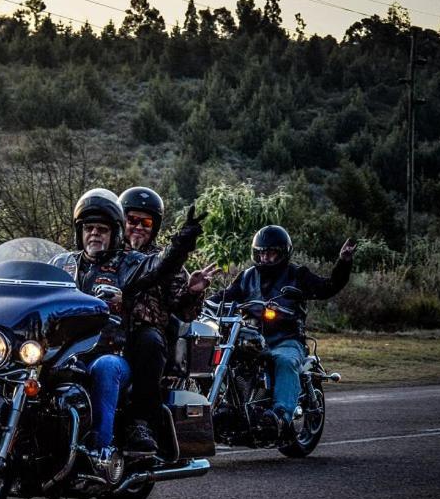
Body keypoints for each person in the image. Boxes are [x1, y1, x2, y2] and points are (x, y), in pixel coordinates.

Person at [50, 188, 203, 460]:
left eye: (146, 223)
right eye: (89, 228)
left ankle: (129, 431)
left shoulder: (132, 262)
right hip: (76, 345)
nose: (95, 234)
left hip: (129, 341)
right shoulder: (65, 263)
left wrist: (182, 249)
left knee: (147, 342)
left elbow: (162, 267)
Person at [207, 225, 356, 438]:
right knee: (227, 361)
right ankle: (229, 409)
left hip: (286, 340)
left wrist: (343, 263)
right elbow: (225, 296)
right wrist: (204, 302)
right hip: (251, 338)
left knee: (285, 360)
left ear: (283, 253)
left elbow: (327, 287)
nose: (266, 258)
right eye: (262, 253)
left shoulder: (297, 275)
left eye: (271, 253)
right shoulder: (246, 277)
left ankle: (279, 417)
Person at [117, 187, 217, 453]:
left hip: (145, 333)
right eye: (132, 220)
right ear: (120, 220)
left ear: (155, 226)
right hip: (106, 330)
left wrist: (192, 292)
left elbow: (183, 312)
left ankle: (141, 423)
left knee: (149, 342)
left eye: (146, 222)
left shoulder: (166, 260)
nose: (138, 227)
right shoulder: (106, 252)